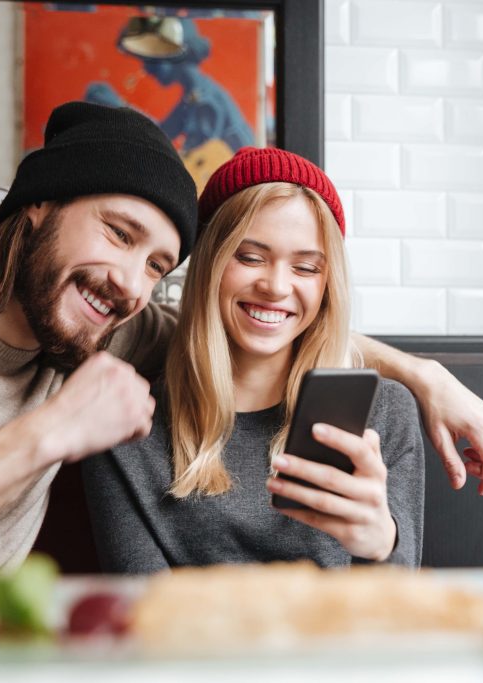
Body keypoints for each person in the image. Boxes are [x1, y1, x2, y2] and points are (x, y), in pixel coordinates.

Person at [0, 101, 483, 587]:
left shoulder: (99, 326)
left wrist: (424, 374)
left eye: (157, 265)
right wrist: (40, 435)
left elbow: (259, 324)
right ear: (38, 206)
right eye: (119, 232)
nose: (132, 284)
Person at [81, 148, 425, 571]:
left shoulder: (385, 414)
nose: (277, 286)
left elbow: (395, 618)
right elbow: (147, 619)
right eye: (250, 257)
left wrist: (381, 545)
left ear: (327, 287)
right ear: (209, 262)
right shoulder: (125, 425)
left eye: (306, 268)